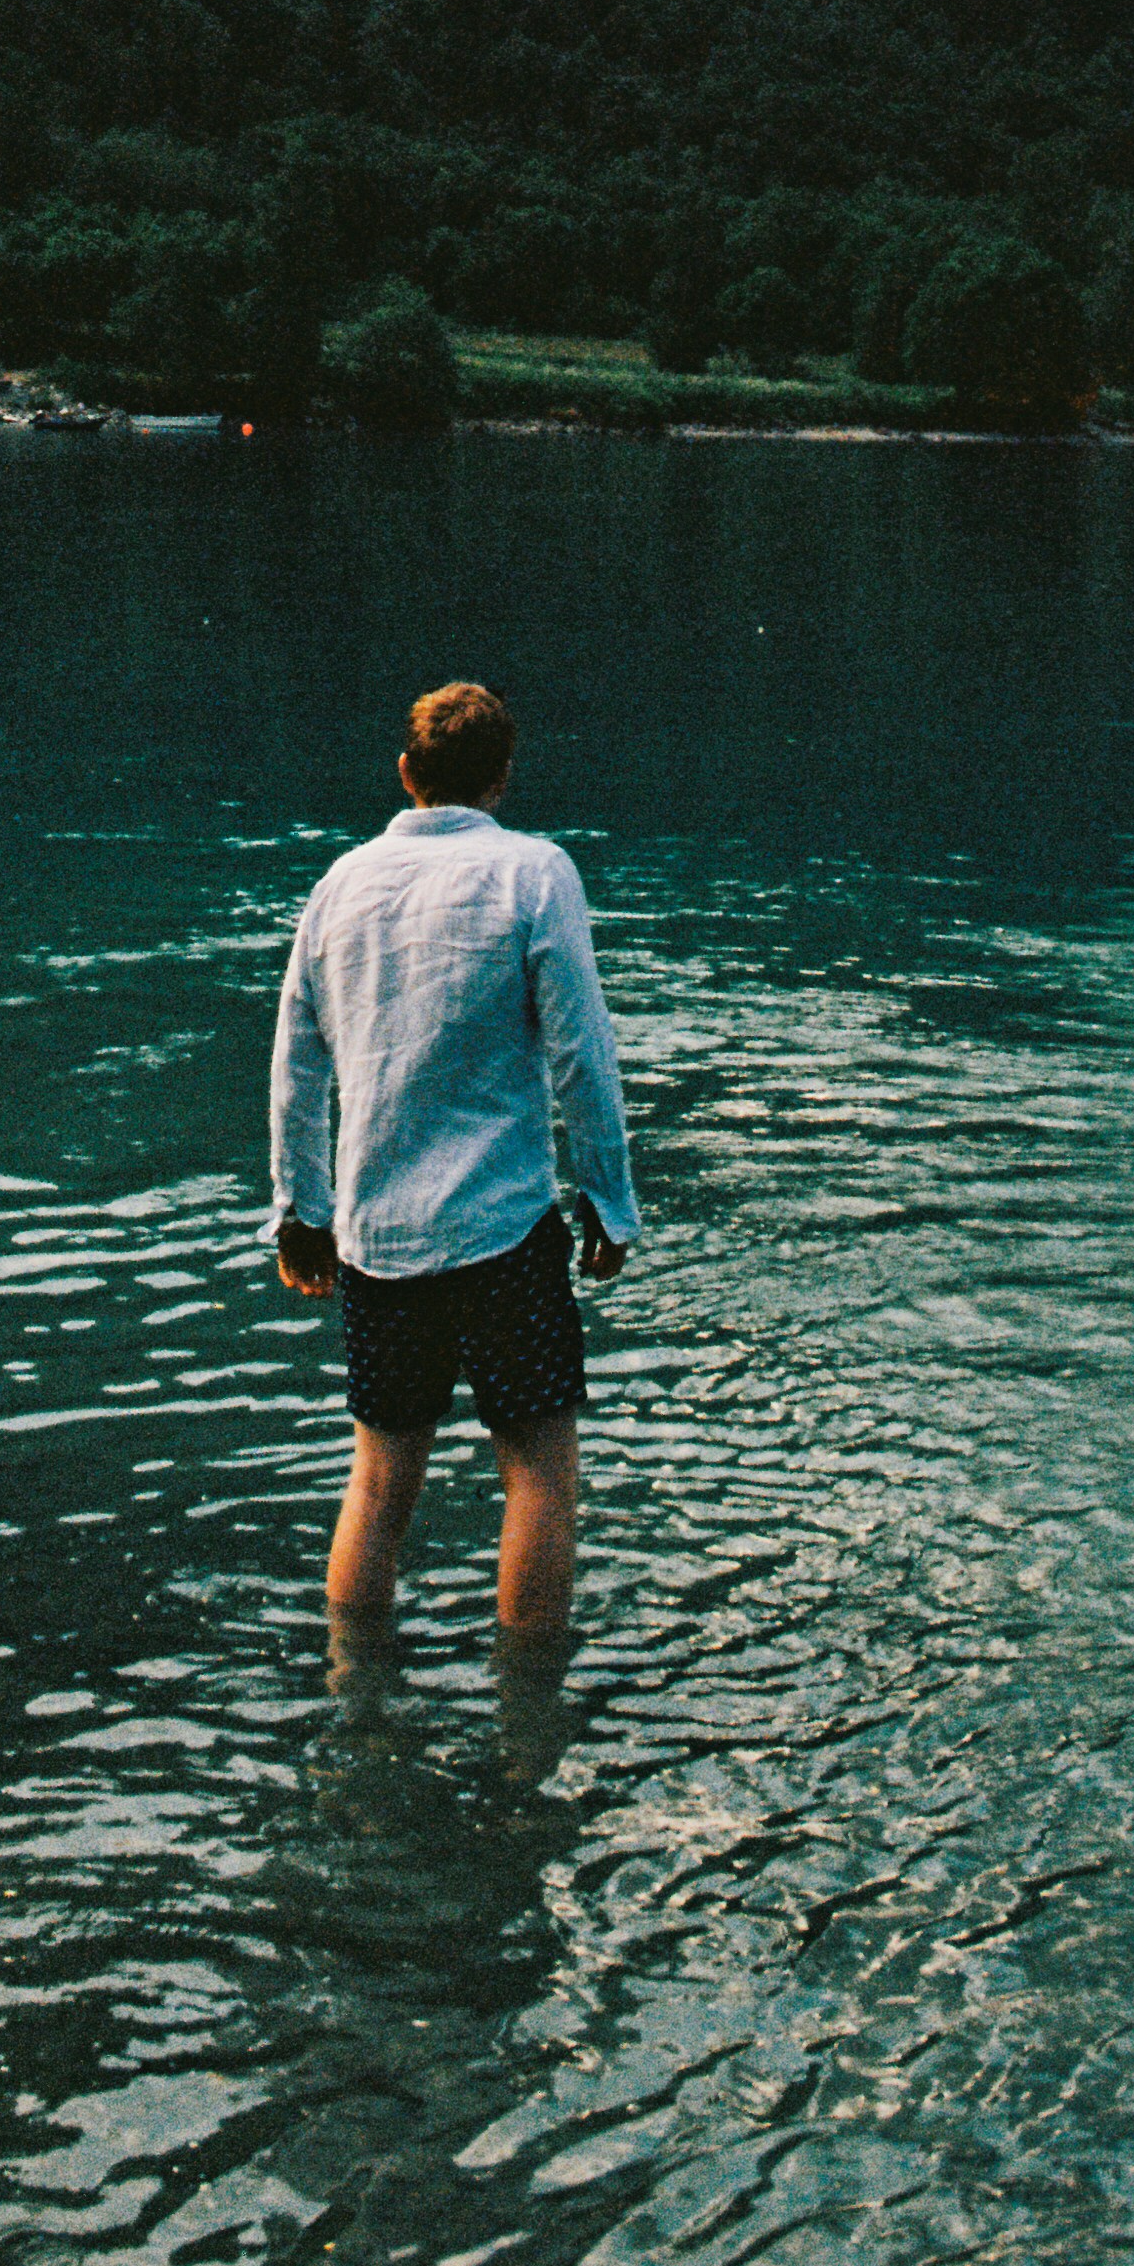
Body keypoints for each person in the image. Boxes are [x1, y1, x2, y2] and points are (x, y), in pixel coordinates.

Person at [268, 679, 638, 1646]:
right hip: (502, 1230)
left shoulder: (338, 884)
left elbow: (297, 1065)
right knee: (540, 1480)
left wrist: (299, 1214)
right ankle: (528, 1747)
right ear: (503, 778)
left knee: (381, 1481)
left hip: (377, 1237)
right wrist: (608, 1200)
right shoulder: (534, 873)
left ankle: (355, 1703)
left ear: (406, 774)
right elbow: (580, 1054)